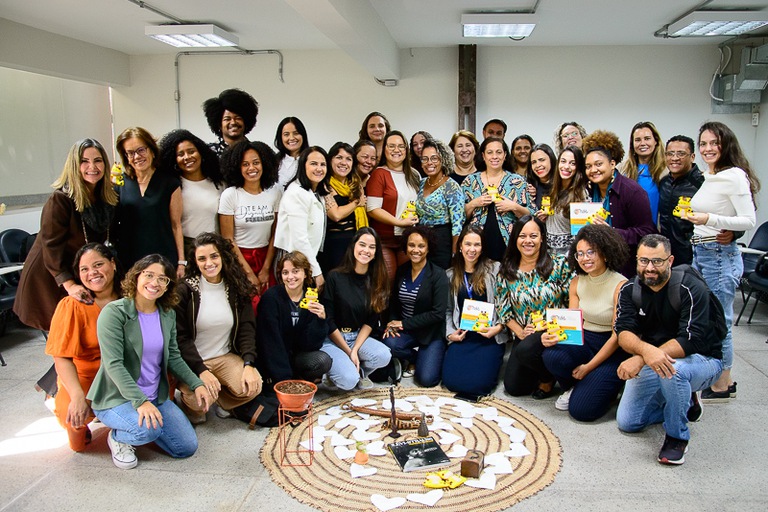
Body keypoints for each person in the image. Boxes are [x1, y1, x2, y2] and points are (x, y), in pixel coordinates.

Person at [88, 255, 212, 470]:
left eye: (162, 279)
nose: (155, 283)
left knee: (185, 448)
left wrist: (197, 383)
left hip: (156, 396)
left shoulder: (167, 314)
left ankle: (140, 425)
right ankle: (119, 437)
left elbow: (173, 356)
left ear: (168, 286)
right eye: (149, 275)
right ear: (136, 276)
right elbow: (114, 364)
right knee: (147, 430)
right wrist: (140, 402)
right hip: (118, 398)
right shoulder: (114, 313)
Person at [615, 234, 724, 465]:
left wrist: (642, 358)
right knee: (628, 422)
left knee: (674, 371)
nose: (650, 268)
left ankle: (676, 437)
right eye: (643, 261)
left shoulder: (691, 287)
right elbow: (623, 333)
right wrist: (647, 352)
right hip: (654, 356)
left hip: (702, 359)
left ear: (670, 260)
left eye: (657, 261)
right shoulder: (629, 290)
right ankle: (685, 401)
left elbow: (690, 341)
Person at [684, 121, 759, 401]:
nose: (708, 148)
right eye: (703, 143)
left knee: (720, 320)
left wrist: (709, 220)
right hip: (702, 251)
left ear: (726, 144)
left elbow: (748, 220)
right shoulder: (711, 175)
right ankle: (719, 375)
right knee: (706, 316)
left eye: (714, 143)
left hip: (719, 254)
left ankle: (723, 384)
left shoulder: (735, 175)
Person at [15, 138, 117, 332]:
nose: (92, 167)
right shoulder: (60, 199)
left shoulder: (106, 197)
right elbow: (51, 246)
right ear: (74, 166)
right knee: (64, 337)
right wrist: (69, 284)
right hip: (52, 275)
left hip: (81, 270)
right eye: (84, 161)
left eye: (98, 160)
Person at [542, 224, 629, 420]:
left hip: (611, 348)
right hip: (585, 340)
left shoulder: (621, 285)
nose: (584, 258)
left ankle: (605, 384)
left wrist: (588, 367)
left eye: (591, 252)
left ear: (605, 253)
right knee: (551, 355)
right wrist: (553, 336)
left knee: (582, 412)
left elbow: (618, 336)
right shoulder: (577, 281)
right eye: (579, 254)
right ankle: (576, 386)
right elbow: (573, 324)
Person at [174, 233, 262, 424]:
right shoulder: (185, 290)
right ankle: (190, 401)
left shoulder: (237, 287)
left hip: (223, 356)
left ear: (223, 256)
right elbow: (180, 338)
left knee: (254, 385)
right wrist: (201, 370)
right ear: (195, 262)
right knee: (199, 410)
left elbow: (247, 328)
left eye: (214, 256)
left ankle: (221, 400)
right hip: (194, 360)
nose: (209, 263)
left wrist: (248, 363)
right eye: (202, 258)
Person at [45, 243, 120, 451]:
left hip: (123, 371)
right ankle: (58, 398)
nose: (92, 273)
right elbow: (61, 356)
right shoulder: (72, 305)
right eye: (84, 269)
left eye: (98, 265)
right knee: (74, 421)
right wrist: (77, 396)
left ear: (112, 264)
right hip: (86, 375)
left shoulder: (131, 297)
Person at [497, 216, 572, 398]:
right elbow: (504, 310)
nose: (528, 241)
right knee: (514, 388)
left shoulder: (559, 263)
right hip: (526, 333)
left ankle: (547, 379)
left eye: (533, 236)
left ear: (542, 238)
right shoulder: (507, 269)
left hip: (556, 331)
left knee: (526, 350)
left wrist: (555, 325)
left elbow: (572, 300)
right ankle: (544, 367)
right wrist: (521, 332)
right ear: (515, 239)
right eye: (522, 236)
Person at [320, 228, 392, 390]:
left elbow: (371, 321)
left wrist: (355, 349)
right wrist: (348, 351)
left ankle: (358, 373)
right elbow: (328, 321)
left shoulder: (378, 280)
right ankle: (337, 373)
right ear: (353, 246)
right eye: (362, 245)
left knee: (383, 355)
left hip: (357, 335)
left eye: (372, 247)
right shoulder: (335, 277)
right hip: (332, 339)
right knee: (348, 381)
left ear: (376, 252)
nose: (366, 250)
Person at [443, 225, 507, 396]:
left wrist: (498, 327)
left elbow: (505, 303)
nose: (472, 249)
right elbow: (448, 310)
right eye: (468, 244)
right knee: (451, 382)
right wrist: (450, 334)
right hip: (463, 335)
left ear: (482, 247)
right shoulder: (450, 275)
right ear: (460, 246)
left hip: (489, 336)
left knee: (479, 385)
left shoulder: (495, 269)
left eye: (477, 245)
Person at [582, 130, 656, 277]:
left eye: (598, 164)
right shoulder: (588, 191)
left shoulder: (632, 191)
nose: (593, 170)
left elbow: (647, 233)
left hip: (626, 268)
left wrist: (612, 233)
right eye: (588, 166)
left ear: (612, 164)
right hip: (598, 265)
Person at [114, 127, 185, 277]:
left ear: (152, 150)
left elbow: (176, 225)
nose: (137, 156)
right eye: (131, 153)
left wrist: (181, 262)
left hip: (163, 259)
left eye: (141, 150)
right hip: (130, 260)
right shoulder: (120, 184)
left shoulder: (170, 183)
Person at [383, 227, 449, 387]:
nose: (416, 250)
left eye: (421, 246)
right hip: (406, 331)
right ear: (406, 247)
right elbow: (394, 302)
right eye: (412, 245)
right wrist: (392, 322)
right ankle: (413, 357)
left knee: (427, 380)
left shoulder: (438, 275)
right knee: (387, 344)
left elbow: (438, 313)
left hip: (430, 333)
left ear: (428, 248)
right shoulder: (402, 270)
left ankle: (432, 355)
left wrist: (403, 324)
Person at [218, 140, 282, 301]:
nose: (251, 168)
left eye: (256, 163)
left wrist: (266, 269)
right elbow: (228, 239)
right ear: (237, 167)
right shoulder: (230, 195)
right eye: (245, 164)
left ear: (264, 164)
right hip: (239, 259)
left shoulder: (274, 193)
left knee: (269, 306)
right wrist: (248, 273)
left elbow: (276, 234)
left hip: (267, 257)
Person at [256, 251, 332, 384]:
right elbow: (270, 342)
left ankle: (300, 379)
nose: (290, 277)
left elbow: (311, 345)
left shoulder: (311, 297)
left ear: (305, 273)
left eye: (295, 271)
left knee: (323, 361)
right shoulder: (271, 298)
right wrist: (284, 380)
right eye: (285, 272)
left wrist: (320, 321)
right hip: (272, 357)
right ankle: (287, 380)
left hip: (297, 356)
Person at [462, 137, 533, 261]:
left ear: (505, 155)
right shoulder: (470, 181)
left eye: (499, 152)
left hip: (508, 245)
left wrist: (514, 207)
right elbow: (459, 216)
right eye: (490, 152)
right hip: (477, 246)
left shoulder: (517, 181)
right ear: (483, 156)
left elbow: (531, 216)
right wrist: (474, 203)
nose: (494, 156)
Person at [365, 131, 420, 281]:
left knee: (406, 283)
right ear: (384, 149)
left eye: (401, 146)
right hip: (385, 240)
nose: (397, 150)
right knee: (387, 282)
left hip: (408, 239)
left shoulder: (414, 175)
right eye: (392, 146)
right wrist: (399, 222)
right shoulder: (379, 174)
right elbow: (372, 209)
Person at [158, 129, 223, 255]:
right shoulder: (172, 186)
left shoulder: (218, 183)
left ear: (201, 153)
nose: (187, 157)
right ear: (174, 159)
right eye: (180, 154)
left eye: (191, 151)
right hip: (185, 248)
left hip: (214, 247)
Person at [274, 146, 329, 288]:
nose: (319, 168)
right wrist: (316, 272)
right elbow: (299, 239)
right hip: (293, 261)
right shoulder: (296, 193)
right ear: (303, 165)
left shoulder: (316, 192)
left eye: (323, 164)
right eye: (313, 164)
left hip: (306, 258)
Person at [415, 138, 464, 268]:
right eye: (424, 159)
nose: (429, 163)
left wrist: (455, 253)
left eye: (434, 158)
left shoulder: (452, 186)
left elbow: (457, 223)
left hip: (442, 240)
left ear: (443, 159)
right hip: (421, 241)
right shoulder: (421, 183)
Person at [321, 142, 368, 274]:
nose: (344, 162)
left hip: (356, 240)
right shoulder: (325, 185)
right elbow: (336, 215)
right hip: (334, 243)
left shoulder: (355, 183)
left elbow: (363, 206)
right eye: (339, 157)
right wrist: (356, 203)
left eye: (348, 159)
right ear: (330, 160)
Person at [658, 135, 704, 266]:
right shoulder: (664, 182)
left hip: (694, 257)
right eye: (670, 154)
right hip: (666, 255)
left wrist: (733, 233)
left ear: (692, 157)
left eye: (681, 154)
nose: (674, 158)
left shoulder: (702, 183)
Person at [542, 145, 588, 256]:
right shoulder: (554, 188)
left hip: (567, 253)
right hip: (549, 251)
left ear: (578, 167)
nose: (566, 166)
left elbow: (581, 232)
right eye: (563, 161)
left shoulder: (580, 193)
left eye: (572, 163)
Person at [622, 122, 666, 222]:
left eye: (647, 138)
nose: (642, 143)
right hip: (629, 232)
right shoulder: (622, 169)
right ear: (632, 144)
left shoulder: (666, 169)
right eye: (637, 140)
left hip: (657, 232)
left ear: (656, 141)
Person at [202, 88, 259, 156]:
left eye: (238, 118)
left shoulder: (257, 151)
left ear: (246, 121)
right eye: (227, 119)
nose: (233, 122)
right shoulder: (208, 153)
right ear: (219, 124)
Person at [274, 116, 310, 187]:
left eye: (296, 133)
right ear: (280, 138)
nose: (291, 138)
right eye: (286, 134)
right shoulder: (273, 162)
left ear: (303, 135)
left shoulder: (311, 160)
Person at [527, 143, 557, 209]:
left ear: (551, 159)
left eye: (542, 160)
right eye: (534, 162)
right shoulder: (529, 187)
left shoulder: (562, 184)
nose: (538, 165)